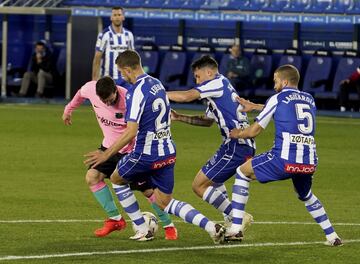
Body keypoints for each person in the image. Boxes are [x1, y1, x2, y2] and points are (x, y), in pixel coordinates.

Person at [84, 50, 226, 243]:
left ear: (127, 69)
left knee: (117, 178)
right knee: (165, 202)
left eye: (122, 72)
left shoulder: (135, 92)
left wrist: (105, 155)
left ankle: (142, 228)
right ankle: (212, 227)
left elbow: (130, 131)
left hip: (146, 153)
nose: (122, 76)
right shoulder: (157, 84)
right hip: (168, 153)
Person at [227, 64, 342, 246]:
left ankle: (235, 229)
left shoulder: (277, 97)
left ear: (285, 81)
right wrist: (256, 106)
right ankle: (332, 236)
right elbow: (288, 111)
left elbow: (253, 131)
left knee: (242, 172)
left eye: (276, 81)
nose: (274, 86)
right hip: (308, 160)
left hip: (284, 158)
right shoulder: (309, 99)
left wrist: (237, 134)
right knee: (305, 195)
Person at [62, 76, 178, 240]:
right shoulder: (90, 88)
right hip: (108, 148)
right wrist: (68, 110)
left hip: (131, 151)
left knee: (147, 191)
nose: (107, 103)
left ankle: (168, 225)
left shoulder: (129, 99)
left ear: (115, 90)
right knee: (92, 177)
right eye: (104, 101)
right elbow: (80, 94)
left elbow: (139, 126)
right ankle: (115, 220)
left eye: (110, 99)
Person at [167, 55, 255, 239]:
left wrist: (157, 93)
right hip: (234, 144)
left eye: (198, 77)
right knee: (214, 181)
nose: (197, 81)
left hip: (237, 145)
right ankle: (234, 219)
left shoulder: (215, 83)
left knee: (199, 186)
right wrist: (179, 117)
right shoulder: (220, 86)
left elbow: (186, 95)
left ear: (208, 72)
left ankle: (235, 216)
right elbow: (207, 122)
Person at [92, 6, 134, 89]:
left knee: (128, 101)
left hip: (125, 79)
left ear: (123, 17)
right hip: (108, 79)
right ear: (111, 17)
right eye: (115, 15)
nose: (117, 17)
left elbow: (132, 58)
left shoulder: (129, 35)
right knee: (108, 101)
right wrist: (94, 80)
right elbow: (97, 57)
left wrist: (133, 76)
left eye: (119, 15)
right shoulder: (104, 34)